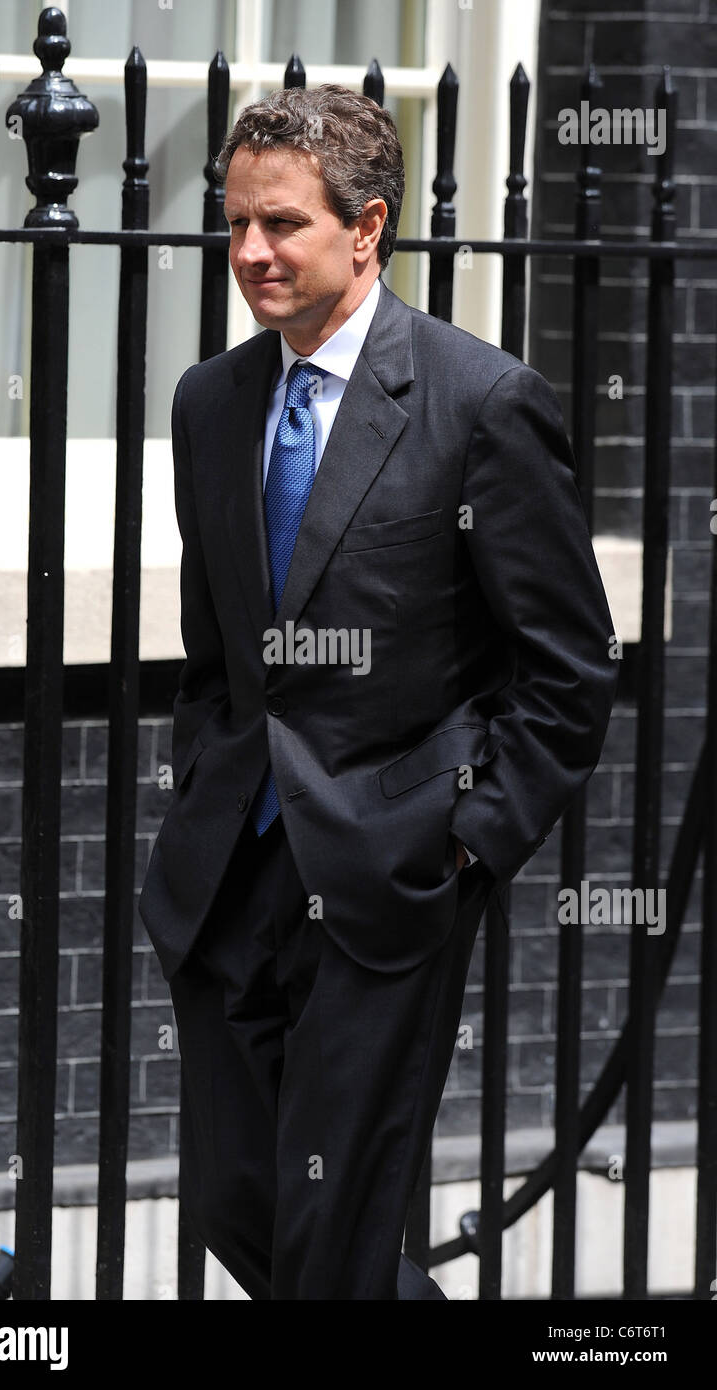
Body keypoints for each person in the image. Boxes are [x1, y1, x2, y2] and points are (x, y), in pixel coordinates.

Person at [138, 83, 618, 1300]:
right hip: (231, 867)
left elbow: (564, 665)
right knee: (234, 1199)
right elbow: (215, 654)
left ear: (367, 227)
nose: (249, 251)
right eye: (236, 222)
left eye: (282, 224)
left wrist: (465, 844)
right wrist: (201, 777)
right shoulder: (209, 403)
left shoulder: (479, 402)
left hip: (386, 873)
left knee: (332, 1222)